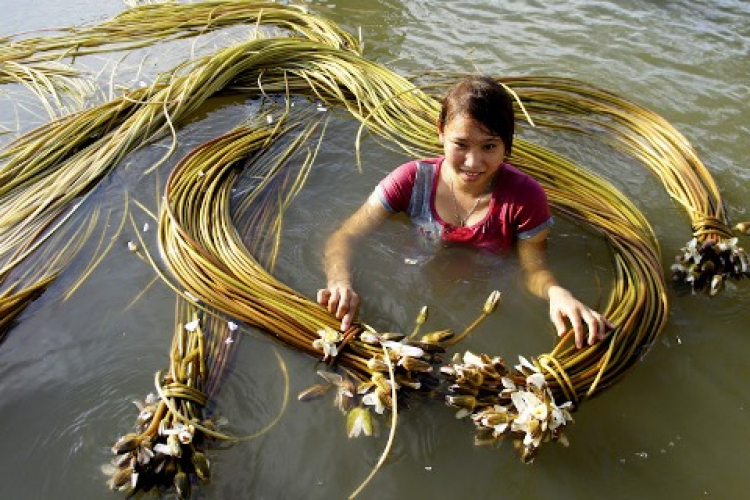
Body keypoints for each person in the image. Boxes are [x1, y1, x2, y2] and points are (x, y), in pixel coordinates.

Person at [317, 76, 612, 349]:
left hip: (484, 304)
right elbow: (344, 237)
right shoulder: (410, 180)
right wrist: (340, 282)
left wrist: (557, 293)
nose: (473, 162)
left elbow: (533, 270)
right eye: (461, 144)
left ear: (507, 145)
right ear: (441, 130)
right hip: (408, 289)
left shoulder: (525, 198)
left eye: (489, 146)